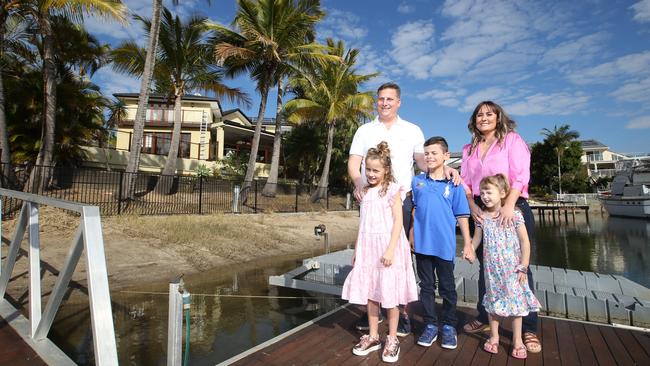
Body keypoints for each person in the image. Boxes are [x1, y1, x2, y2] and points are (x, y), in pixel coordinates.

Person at [348, 81, 460, 336]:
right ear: (377, 101)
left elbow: (424, 162)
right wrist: (359, 185)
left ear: (399, 102)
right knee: (371, 254)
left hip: (402, 197)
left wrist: (446, 168)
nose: (384, 103)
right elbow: (354, 163)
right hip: (372, 198)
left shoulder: (412, 130)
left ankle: (404, 312)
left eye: (390, 99)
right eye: (380, 99)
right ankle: (372, 313)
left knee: (400, 256)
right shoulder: (364, 130)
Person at [460, 100, 542, 354]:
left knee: (519, 267)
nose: (483, 117)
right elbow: (465, 182)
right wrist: (472, 207)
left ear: (498, 117)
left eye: (488, 114)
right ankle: (486, 318)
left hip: (512, 207)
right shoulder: (469, 147)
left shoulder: (512, 140)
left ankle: (528, 327)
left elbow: (521, 175)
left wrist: (509, 205)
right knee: (488, 265)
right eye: (479, 115)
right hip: (482, 209)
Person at [342, 142, 419, 363]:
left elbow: (398, 223)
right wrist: (357, 249)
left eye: (376, 170)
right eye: (368, 169)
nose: (371, 174)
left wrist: (391, 249)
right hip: (368, 247)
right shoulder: (364, 192)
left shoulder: (393, 190)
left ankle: (392, 338)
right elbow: (363, 223)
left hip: (388, 246)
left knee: (390, 293)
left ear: (386, 169)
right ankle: (374, 335)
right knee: (371, 293)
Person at [465, 174, 541, 359]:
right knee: (493, 304)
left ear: (502, 193)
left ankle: (517, 340)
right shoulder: (482, 217)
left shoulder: (514, 214)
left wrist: (523, 266)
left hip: (513, 270)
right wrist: (470, 250)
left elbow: (525, 242)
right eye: (482, 192)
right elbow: (477, 238)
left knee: (516, 307)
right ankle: (494, 336)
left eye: (489, 192)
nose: (485, 196)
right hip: (492, 271)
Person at [408, 136, 471, 350]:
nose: (429, 157)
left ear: (446, 156)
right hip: (422, 245)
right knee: (426, 286)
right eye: (427, 153)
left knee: (447, 288)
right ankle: (430, 324)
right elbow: (415, 209)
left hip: (444, 245)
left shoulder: (454, 184)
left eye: (434, 153)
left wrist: (468, 244)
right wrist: (411, 234)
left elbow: (462, 215)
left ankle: (449, 326)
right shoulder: (417, 181)